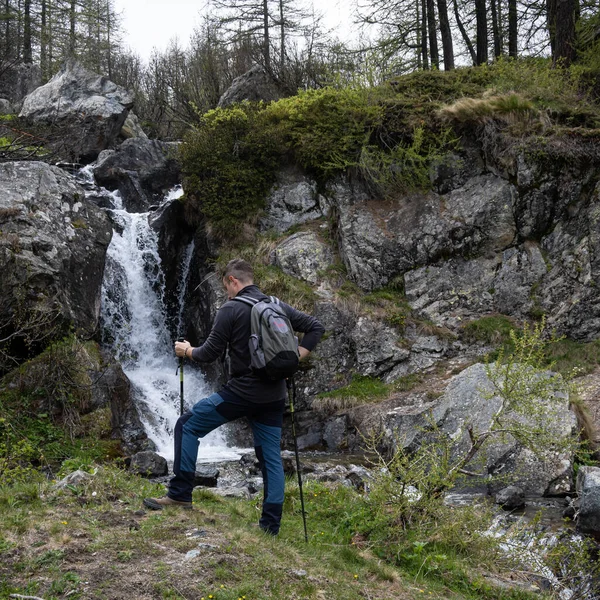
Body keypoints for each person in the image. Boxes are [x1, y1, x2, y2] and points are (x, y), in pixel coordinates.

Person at [144, 258, 325, 535]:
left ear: (233, 281)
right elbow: (315, 327)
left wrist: (187, 351)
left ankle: (180, 494)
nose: (227, 292)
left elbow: (209, 353)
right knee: (270, 458)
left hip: (243, 392)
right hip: (274, 394)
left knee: (188, 425)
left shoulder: (231, 308)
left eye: (226, 286)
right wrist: (293, 360)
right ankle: (270, 527)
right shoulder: (277, 305)